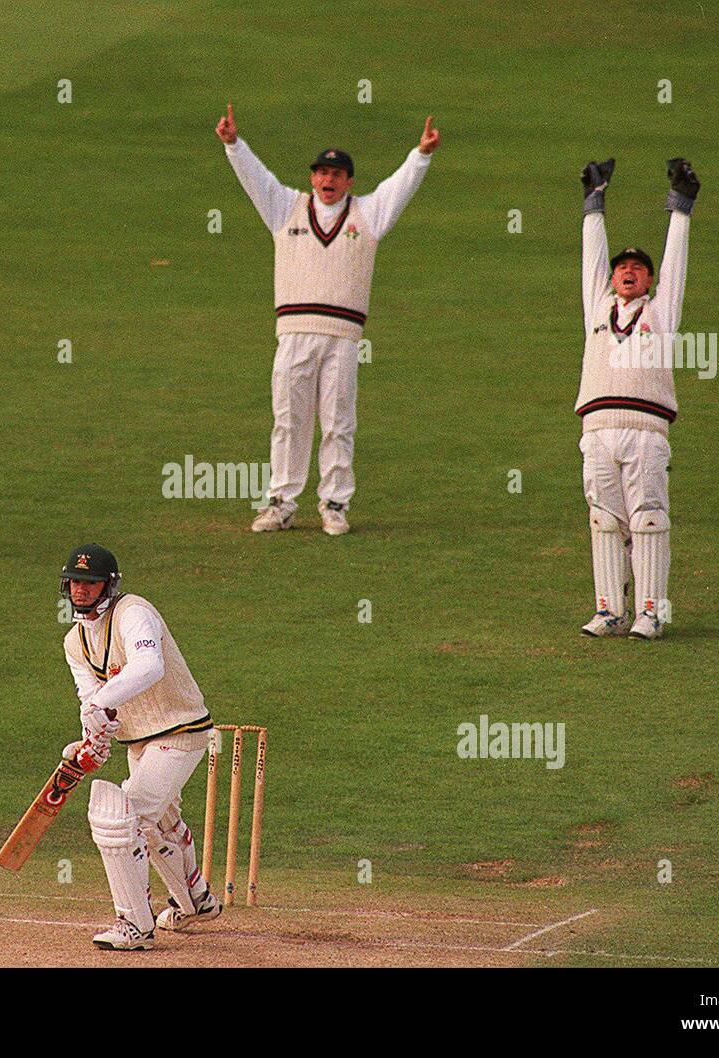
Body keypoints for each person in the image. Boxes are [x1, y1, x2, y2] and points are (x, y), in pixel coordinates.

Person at [216, 104, 439, 534]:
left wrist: (422, 155)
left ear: (349, 181)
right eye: (321, 173)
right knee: (288, 417)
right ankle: (281, 501)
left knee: (339, 420)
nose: (327, 181)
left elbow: (399, 188)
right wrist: (233, 145)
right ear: (312, 177)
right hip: (294, 332)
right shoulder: (285, 209)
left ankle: (334, 503)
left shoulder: (368, 214)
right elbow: (256, 180)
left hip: (342, 336)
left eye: (336, 175)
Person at [58, 544, 219, 950]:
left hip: (181, 730)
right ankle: (195, 901)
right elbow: (91, 696)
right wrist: (93, 738)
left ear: (107, 586)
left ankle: (135, 926)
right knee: (157, 824)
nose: (81, 590)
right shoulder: (75, 642)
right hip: (139, 740)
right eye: (76, 582)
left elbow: (149, 668)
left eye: (90, 583)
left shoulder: (134, 613)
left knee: (121, 816)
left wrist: (99, 706)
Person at [574, 157, 699, 639]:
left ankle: (650, 612)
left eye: (638, 268)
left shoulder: (661, 314)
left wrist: (681, 208)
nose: (629, 272)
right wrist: (593, 204)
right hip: (597, 429)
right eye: (622, 267)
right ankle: (609, 610)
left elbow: (676, 265)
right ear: (613, 278)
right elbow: (590, 259)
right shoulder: (598, 309)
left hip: (646, 431)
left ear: (649, 280)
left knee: (647, 518)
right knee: (604, 518)